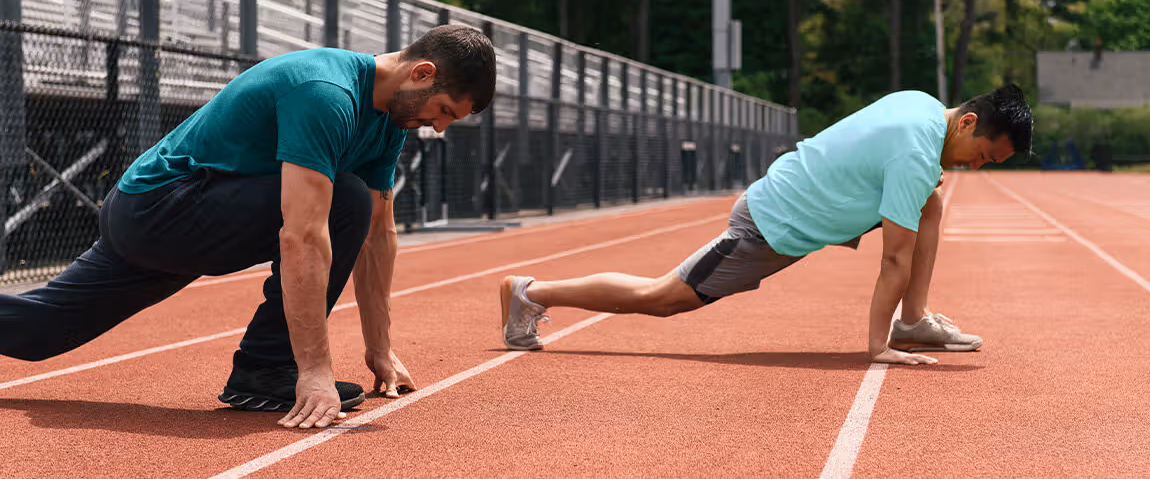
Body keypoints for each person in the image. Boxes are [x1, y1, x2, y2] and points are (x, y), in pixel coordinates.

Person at [0, 24, 496, 429]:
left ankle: (267, 368)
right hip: (160, 209)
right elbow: (303, 236)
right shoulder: (326, 91)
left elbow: (378, 237)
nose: (440, 127)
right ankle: (264, 370)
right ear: (421, 73)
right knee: (342, 200)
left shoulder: (388, 119)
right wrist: (315, 372)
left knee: (40, 333)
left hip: (163, 216)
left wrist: (380, 349)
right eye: (445, 110)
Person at [500, 85, 1032, 365]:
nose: (978, 165)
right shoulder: (917, 153)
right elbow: (894, 258)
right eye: (984, 153)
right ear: (966, 123)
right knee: (664, 297)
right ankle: (531, 292)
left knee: (930, 202)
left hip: (792, 205)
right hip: (769, 226)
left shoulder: (921, 105)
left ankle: (914, 321)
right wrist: (875, 347)